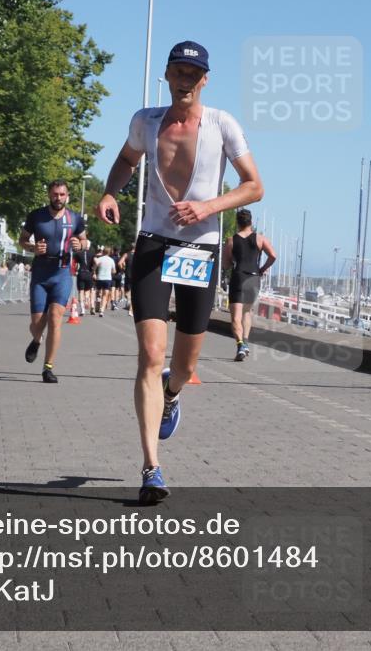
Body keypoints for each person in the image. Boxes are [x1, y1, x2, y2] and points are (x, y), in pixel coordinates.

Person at [97, 40, 263, 504]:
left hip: (200, 249)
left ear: (204, 79)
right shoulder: (145, 121)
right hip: (153, 242)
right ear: (167, 75)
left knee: (185, 365)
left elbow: (254, 186)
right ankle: (151, 467)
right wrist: (111, 192)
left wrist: (208, 207)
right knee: (150, 355)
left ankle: (172, 393)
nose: (185, 79)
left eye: (194, 73)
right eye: (178, 71)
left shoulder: (222, 124)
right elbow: (126, 160)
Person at [18, 180, 87, 383]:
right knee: (37, 323)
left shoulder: (75, 218)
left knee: (56, 318)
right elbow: (22, 240)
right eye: (55, 194)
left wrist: (80, 245)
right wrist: (32, 248)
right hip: (41, 272)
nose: (58, 198)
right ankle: (37, 339)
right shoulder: (36, 216)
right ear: (49, 195)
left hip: (62, 273)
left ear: (67, 196)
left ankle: (48, 367)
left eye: (62, 194)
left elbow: (84, 241)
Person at [224, 208, 276, 360]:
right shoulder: (260, 239)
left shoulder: (231, 240)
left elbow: (226, 264)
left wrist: (232, 260)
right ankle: (245, 343)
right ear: (251, 222)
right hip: (254, 279)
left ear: (237, 223)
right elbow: (273, 256)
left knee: (236, 317)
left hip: (238, 278)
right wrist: (262, 269)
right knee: (247, 312)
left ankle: (240, 345)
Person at [93, 246, 117, 315]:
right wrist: (110, 271)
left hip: (99, 278)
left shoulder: (99, 259)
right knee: (105, 295)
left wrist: (94, 273)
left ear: (103, 252)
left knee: (98, 292)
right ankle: (102, 310)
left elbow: (94, 267)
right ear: (109, 253)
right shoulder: (111, 260)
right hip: (107, 279)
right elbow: (114, 271)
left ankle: (98, 303)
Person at [74, 240, 95, 314]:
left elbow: (76, 264)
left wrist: (75, 271)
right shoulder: (92, 254)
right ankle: (87, 300)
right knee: (88, 290)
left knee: (81, 291)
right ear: (89, 246)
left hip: (81, 273)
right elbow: (95, 263)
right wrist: (94, 271)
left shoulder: (78, 253)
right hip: (89, 273)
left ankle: (82, 309)